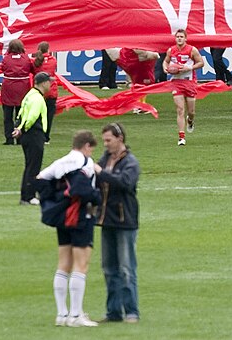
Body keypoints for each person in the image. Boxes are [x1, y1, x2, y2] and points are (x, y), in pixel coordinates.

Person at [37, 129, 101, 328]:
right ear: (87, 146)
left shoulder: (61, 161)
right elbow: (83, 190)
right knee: (81, 265)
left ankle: (62, 314)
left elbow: (40, 179)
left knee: (63, 263)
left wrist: (57, 201)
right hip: (81, 216)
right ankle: (75, 315)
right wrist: (96, 196)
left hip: (63, 218)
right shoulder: (85, 163)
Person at [94, 123, 140, 324]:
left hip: (125, 221)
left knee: (126, 268)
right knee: (108, 268)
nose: (105, 144)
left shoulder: (130, 162)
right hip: (107, 219)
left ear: (119, 139)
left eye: (108, 140)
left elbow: (125, 183)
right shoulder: (105, 158)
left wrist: (101, 173)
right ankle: (113, 312)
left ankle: (131, 312)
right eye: (104, 140)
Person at [14, 71, 52, 205]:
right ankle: (29, 196)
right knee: (34, 167)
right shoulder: (38, 98)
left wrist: (18, 127)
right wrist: (24, 128)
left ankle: (26, 195)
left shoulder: (30, 95)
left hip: (27, 135)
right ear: (43, 83)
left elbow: (21, 113)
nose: (51, 84)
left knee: (29, 166)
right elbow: (32, 117)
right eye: (49, 81)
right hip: (34, 134)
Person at [163, 29, 203, 146]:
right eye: (177, 37)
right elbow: (165, 62)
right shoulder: (171, 50)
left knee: (191, 111)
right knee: (180, 110)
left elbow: (201, 63)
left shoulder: (192, 50)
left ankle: (190, 120)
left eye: (181, 37)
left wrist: (189, 68)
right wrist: (166, 68)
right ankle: (181, 137)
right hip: (176, 82)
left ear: (185, 38)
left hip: (189, 82)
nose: (179, 38)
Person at [1, 38, 32, 145]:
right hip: (23, 88)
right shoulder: (26, 59)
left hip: (9, 88)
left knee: (7, 115)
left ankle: (9, 138)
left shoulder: (6, 59)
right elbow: (30, 68)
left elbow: (3, 68)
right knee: (21, 115)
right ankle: (20, 138)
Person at [32, 41, 59, 143]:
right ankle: (46, 137)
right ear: (48, 50)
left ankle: (37, 135)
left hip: (39, 91)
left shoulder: (35, 61)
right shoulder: (53, 60)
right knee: (48, 116)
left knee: (37, 115)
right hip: (51, 91)